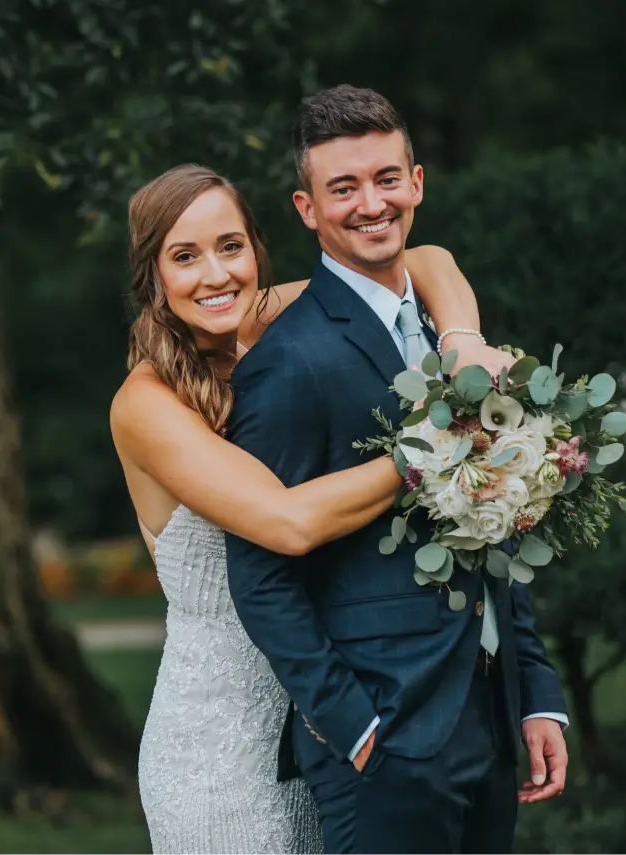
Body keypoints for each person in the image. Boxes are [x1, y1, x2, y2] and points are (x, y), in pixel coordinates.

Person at [110, 162, 516, 854]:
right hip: (223, 744)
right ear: (152, 276)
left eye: (229, 246)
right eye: (185, 256)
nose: (215, 275)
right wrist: (435, 440)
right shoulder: (146, 404)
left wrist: (462, 345)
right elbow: (289, 522)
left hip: (329, 711)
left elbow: (427, 260)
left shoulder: (271, 318)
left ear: (256, 250)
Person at [224, 85, 570, 855]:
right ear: (307, 208)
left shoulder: (458, 342)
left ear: (417, 183)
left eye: (386, 178)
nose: (369, 203)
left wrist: (537, 695)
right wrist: (349, 722)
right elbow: (257, 570)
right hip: (384, 739)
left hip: (488, 716)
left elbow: (493, 520)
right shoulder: (290, 362)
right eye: (342, 188)